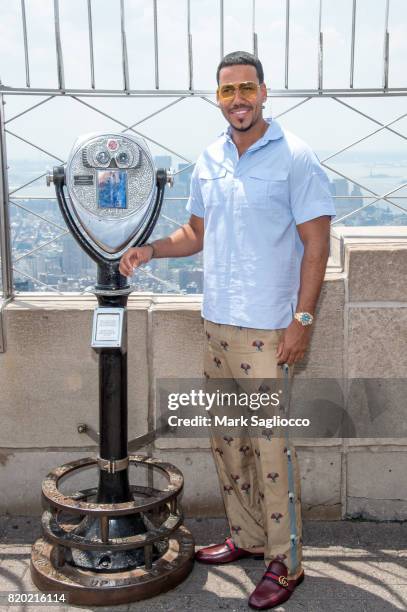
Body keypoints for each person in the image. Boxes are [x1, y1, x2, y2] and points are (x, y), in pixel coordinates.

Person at [119, 50, 336, 610]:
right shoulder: (209, 157)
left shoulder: (296, 157)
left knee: (270, 451)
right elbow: (196, 233)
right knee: (228, 443)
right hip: (217, 324)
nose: (237, 99)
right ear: (218, 98)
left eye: (246, 88)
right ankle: (245, 537)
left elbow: (317, 242)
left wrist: (302, 321)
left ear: (265, 92)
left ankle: (284, 563)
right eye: (226, 91)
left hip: (268, 331)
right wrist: (151, 249)